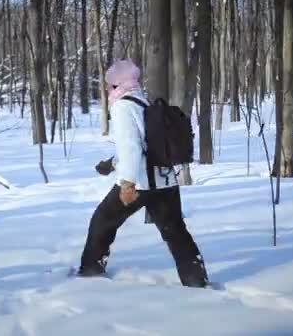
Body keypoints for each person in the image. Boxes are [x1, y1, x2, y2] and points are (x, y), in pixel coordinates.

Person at [78, 59, 209, 288]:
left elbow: (131, 147)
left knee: (102, 221)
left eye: (110, 85)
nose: (108, 90)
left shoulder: (123, 106)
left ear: (118, 85)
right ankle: (196, 280)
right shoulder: (144, 101)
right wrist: (111, 164)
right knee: (176, 232)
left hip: (140, 184)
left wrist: (127, 184)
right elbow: (145, 144)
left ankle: (91, 270)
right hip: (166, 180)